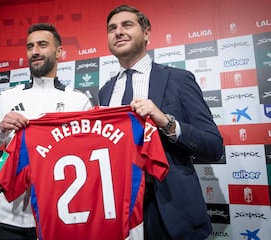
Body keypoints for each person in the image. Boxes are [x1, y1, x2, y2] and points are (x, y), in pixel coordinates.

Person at [99, 5, 224, 240]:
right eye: (112, 28)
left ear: (146, 33)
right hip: (120, 212)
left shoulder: (179, 79)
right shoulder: (105, 92)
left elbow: (214, 147)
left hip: (171, 212)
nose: (118, 32)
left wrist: (166, 121)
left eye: (127, 25)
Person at [0, 23, 92, 240]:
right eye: (30, 47)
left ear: (59, 52)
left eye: (42, 45)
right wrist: (0, 130)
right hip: (7, 220)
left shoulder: (78, 101)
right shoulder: (8, 97)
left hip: (58, 219)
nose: (35, 51)